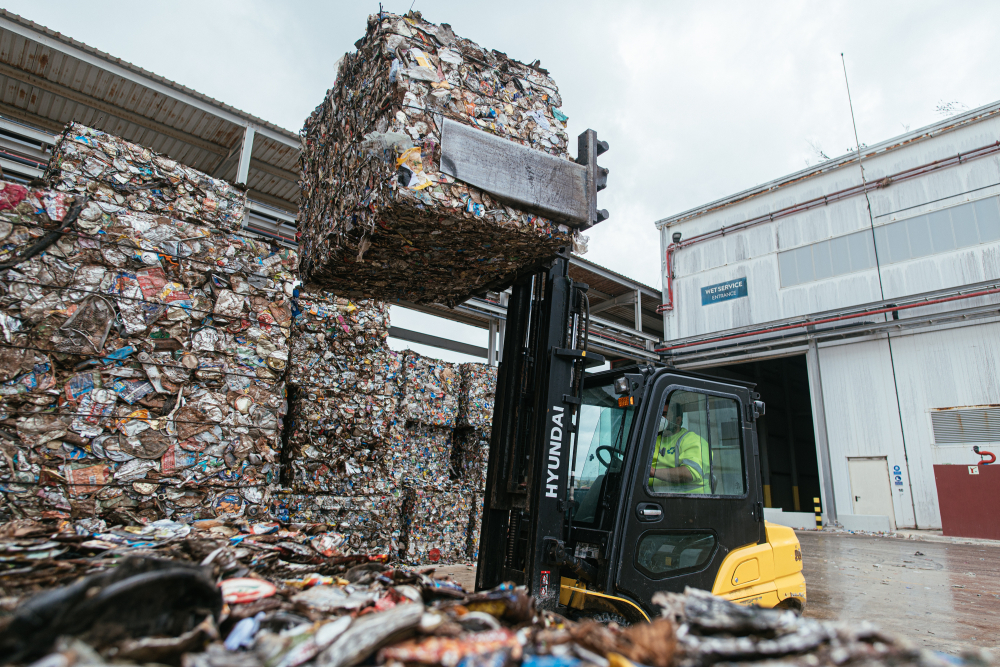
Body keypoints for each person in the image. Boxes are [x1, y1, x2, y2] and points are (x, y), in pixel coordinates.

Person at [649, 401, 711, 493]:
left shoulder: (693, 440)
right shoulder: (653, 440)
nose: (660, 418)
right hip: (653, 496)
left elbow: (689, 473)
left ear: (678, 420)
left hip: (689, 501)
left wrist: (654, 472)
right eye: (658, 414)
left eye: (664, 414)